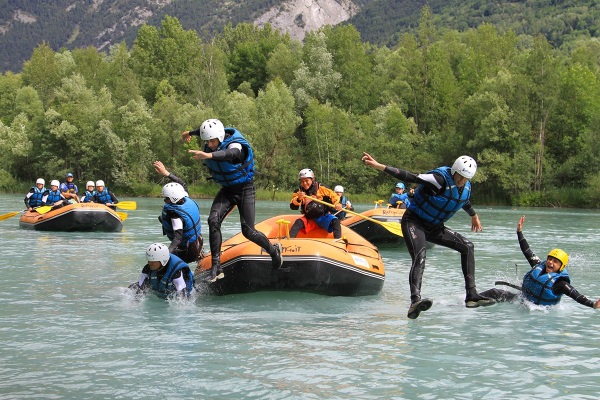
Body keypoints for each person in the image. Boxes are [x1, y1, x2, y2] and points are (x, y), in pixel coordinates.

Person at [361, 152, 494, 319]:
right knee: (420, 255)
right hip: (414, 222)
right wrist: (379, 166)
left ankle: (472, 296)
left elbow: (463, 200)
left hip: (434, 227)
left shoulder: (465, 187)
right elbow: (409, 176)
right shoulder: (438, 180)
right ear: (454, 171)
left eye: (465, 179)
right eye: (459, 177)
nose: (461, 182)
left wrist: (473, 215)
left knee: (467, 246)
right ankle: (415, 301)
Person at [182, 118, 283, 282]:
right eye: (207, 141)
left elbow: (232, 154)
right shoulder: (211, 137)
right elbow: (202, 130)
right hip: (227, 190)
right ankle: (216, 266)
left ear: (221, 137)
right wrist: (189, 133)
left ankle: (273, 251)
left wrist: (208, 154)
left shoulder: (235, 145)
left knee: (248, 231)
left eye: (213, 141)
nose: (210, 144)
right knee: (213, 220)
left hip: (245, 189)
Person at [481, 215, 600, 309]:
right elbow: (527, 251)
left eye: (555, 262)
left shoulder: (561, 284)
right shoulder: (539, 265)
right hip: (523, 300)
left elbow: (577, 296)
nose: (550, 263)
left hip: (540, 310)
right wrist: (519, 232)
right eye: (550, 259)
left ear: (561, 267)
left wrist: (592, 304)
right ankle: (472, 298)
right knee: (495, 292)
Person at [154, 160, 204, 264]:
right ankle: (200, 254)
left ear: (174, 198)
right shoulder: (185, 198)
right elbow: (182, 183)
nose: (165, 201)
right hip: (198, 242)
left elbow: (177, 238)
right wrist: (166, 173)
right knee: (162, 218)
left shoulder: (175, 215)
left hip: (187, 252)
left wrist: (167, 254)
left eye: (167, 198)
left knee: (163, 262)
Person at [129, 243, 195, 300]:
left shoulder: (176, 272)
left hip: (179, 288)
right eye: (149, 260)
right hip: (162, 291)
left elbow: (182, 295)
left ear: (162, 261)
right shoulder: (147, 268)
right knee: (132, 288)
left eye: (153, 261)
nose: (149, 263)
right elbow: (140, 289)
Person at [289, 169, 343, 239]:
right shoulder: (298, 191)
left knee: (336, 221)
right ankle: (289, 240)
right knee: (298, 222)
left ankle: (338, 241)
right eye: (302, 181)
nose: (304, 183)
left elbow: (334, 196)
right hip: (309, 218)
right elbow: (293, 207)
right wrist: (298, 199)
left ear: (312, 179)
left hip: (324, 217)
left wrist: (337, 203)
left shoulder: (321, 188)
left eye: (306, 181)